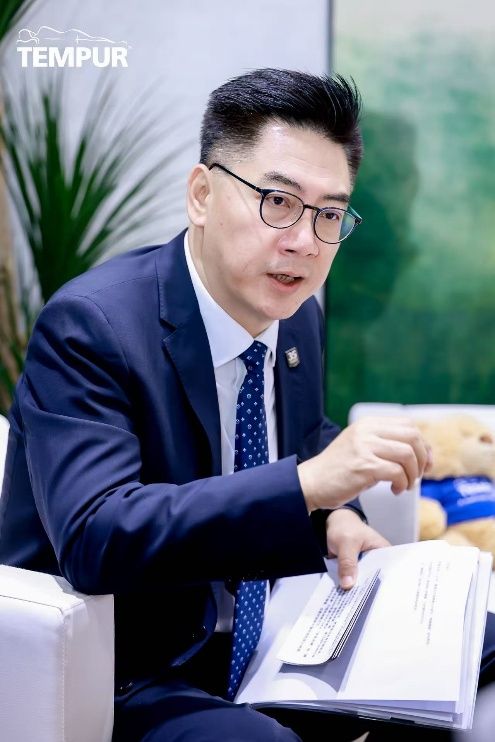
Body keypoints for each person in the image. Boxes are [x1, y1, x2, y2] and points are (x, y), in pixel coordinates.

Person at [0, 68, 492, 741]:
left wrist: (340, 515)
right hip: (133, 669)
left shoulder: (296, 316)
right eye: (278, 202)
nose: (305, 242)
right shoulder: (92, 325)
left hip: (272, 637)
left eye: (328, 214)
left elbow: (304, 436)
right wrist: (308, 487)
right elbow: (97, 537)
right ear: (201, 195)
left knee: (471, 649)